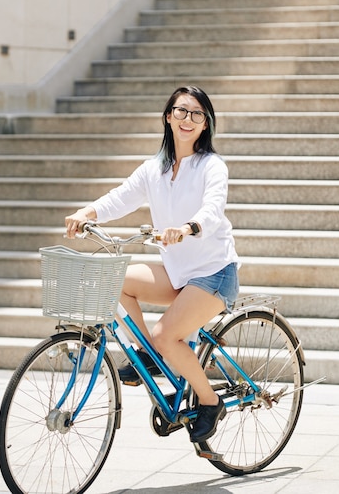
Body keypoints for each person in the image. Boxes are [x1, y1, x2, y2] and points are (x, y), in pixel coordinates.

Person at [65, 85, 240, 443]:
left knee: (166, 335)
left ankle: (209, 402)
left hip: (213, 274)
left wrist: (189, 228)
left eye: (196, 114)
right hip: (178, 273)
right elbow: (120, 197)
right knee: (116, 280)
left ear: (206, 124)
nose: (187, 119)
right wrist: (88, 212)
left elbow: (212, 208)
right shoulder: (154, 169)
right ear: (168, 117)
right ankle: (148, 355)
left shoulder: (212, 166)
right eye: (181, 111)